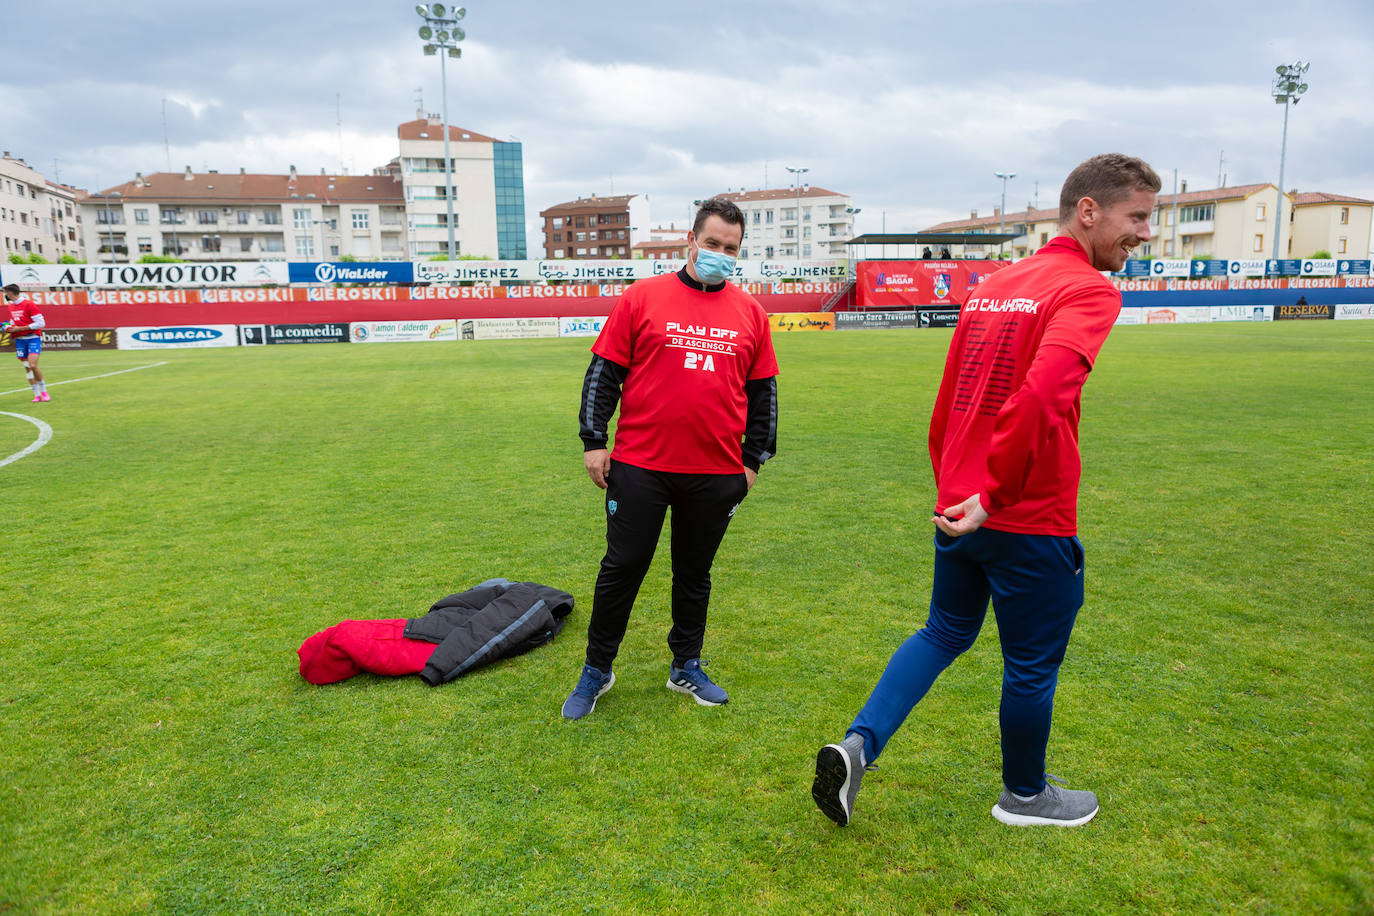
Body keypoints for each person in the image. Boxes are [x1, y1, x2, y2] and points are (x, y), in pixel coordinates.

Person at [812, 153, 1160, 827]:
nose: (1144, 233)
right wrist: (997, 494)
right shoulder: (1088, 289)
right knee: (1030, 664)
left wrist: (957, 489)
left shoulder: (997, 284)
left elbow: (948, 404)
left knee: (942, 632)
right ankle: (1025, 796)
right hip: (1022, 512)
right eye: (1138, 216)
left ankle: (858, 747)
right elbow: (1043, 396)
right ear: (1088, 211)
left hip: (959, 507)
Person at [562, 197, 779, 720]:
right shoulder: (643, 297)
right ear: (691, 240)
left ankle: (686, 665)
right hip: (641, 466)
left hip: (716, 472)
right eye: (712, 244)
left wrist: (752, 463)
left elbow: (764, 393)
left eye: (731, 248)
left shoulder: (750, 312)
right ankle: (597, 669)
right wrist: (595, 441)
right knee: (623, 566)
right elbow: (603, 374)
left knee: (694, 571)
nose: (721, 255)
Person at [3, 284, 49, 402]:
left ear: (10, 293)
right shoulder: (11, 306)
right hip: (20, 340)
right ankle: (36, 394)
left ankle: (44, 392)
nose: (4, 294)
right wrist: (8, 326)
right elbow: (14, 320)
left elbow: (41, 323)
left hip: (33, 337)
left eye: (5, 292)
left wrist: (20, 328)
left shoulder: (29, 304)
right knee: (27, 367)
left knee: (33, 365)